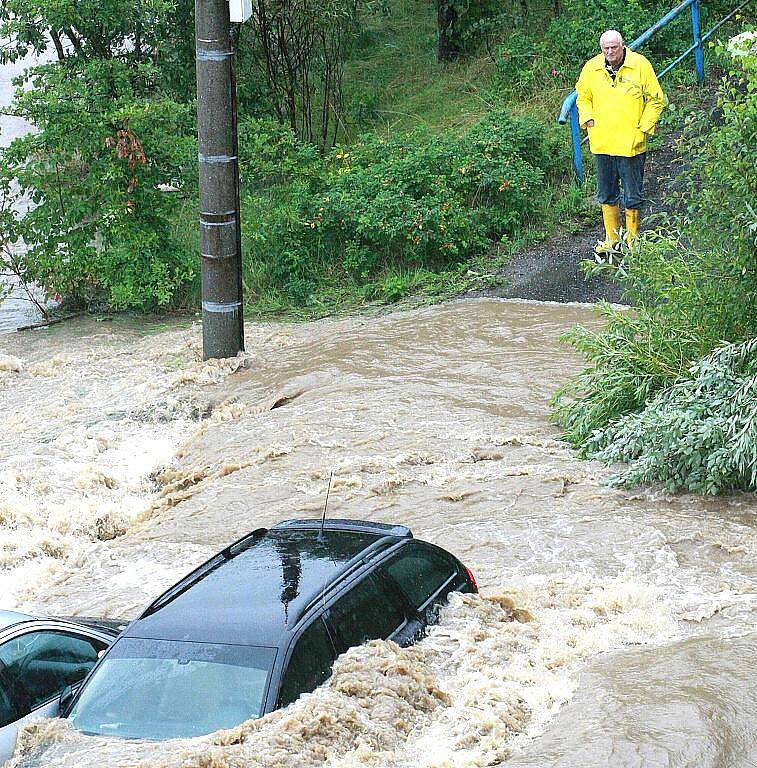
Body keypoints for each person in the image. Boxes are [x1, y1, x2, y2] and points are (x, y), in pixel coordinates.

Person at [576, 30, 665, 252]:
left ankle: (632, 240)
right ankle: (612, 239)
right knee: (606, 192)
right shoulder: (592, 68)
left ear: (623, 45)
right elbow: (582, 95)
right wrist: (586, 117)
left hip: (631, 143)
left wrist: (643, 128)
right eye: (605, 48)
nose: (609, 52)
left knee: (632, 193)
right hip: (603, 142)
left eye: (613, 47)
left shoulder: (640, 65)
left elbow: (656, 99)